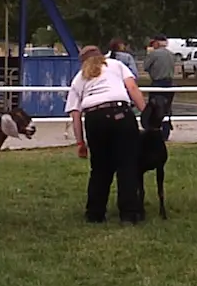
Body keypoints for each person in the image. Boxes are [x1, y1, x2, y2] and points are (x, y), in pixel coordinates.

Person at [65, 46, 147, 224]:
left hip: (95, 119)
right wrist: (146, 115)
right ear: (101, 55)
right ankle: (129, 214)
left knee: (100, 168)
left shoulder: (79, 79)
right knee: (127, 165)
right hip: (121, 114)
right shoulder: (116, 65)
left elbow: (75, 113)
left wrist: (80, 143)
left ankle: (95, 213)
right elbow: (132, 88)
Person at [143, 34, 175, 140]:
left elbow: (145, 66)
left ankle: (153, 130)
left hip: (157, 83)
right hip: (170, 83)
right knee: (166, 108)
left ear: (156, 42)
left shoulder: (154, 54)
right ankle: (166, 131)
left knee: (155, 107)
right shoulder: (171, 54)